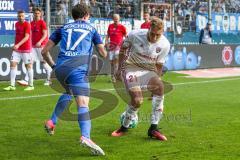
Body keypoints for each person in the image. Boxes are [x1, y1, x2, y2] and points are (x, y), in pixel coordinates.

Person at [41, 4, 107, 155]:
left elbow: (44, 51)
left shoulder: (63, 27)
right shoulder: (92, 29)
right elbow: (103, 54)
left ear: (73, 15)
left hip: (60, 68)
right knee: (83, 103)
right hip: (77, 68)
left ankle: (52, 122)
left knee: (68, 92)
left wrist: (54, 66)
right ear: (86, 16)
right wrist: (102, 47)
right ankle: (86, 136)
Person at [111, 17, 170, 141]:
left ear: (162, 32)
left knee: (160, 89)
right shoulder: (135, 34)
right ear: (148, 29)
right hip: (131, 68)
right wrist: (119, 69)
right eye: (152, 34)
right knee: (137, 100)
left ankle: (153, 128)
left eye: (157, 35)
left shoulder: (165, 44)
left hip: (148, 70)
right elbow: (123, 49)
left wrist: (154, 85)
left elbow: (158, 65)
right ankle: (124, 127)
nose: (154, 37)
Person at [17, 8, 52, 86]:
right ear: (33, 14)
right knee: (30, 62)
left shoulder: (42, 23)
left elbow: (45, 34)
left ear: (40, 14)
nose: (36, 14)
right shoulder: (31, 23)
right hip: (33, 46)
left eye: (38, 13)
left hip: (42, 45)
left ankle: (49, 79)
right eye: (35, 13)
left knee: (44, 62)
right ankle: (26, 80)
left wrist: (40, 42)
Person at [3, 10, 34, 91]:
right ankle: (12, 85)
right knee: (12, 64)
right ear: (17, 16)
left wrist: (17, 45)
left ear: (24, 16)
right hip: (17, 49)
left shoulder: (27, 24)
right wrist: (15, 44)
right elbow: (17, 36)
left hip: (26, 49)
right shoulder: (16, 24)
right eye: (19, 16)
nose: (20, 17)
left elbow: (26, 37)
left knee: (28, 66)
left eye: (22, 16)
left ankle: (31, 85)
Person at [105, 14, 127, 82]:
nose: (116, 20)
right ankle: (118, 75)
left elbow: (126, 36)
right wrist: (106, 42)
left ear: (119, 19)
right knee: (112, 62)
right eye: (114, 18)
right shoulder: (110, 26)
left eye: (117, 18)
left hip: (119, 47)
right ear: (113, 19)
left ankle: (114, 77)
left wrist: (124, 45)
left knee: (116, 61)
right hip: (111, 47)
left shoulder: (122, 27)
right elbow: (108, 35)